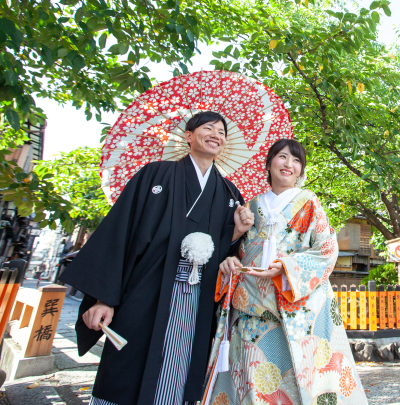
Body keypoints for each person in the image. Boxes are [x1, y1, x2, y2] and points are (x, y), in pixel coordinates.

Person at [60, 111, 255, 405]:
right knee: (129, 362)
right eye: (208, 128)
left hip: (198, 296)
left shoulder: (228, 192)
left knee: (182, 365)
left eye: (222, 132)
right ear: (188, 136)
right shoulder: (155, 174)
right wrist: (102, 299)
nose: (216, 134)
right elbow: (121, 234)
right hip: (145, 289)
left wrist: (236, 232)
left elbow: (223, 253)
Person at [205, 138, 368, 405]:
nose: (288, 164)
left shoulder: (309, 202)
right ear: (268, 164)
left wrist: (287, 268)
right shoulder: (250, 206)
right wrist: (230, 260)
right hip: (251, 304)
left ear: (301, 171)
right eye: (282, 157)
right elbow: (236, 251)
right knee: (249, 377)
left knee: (294, 377)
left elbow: (326, 250)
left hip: (295, 304)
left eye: (296, 160)